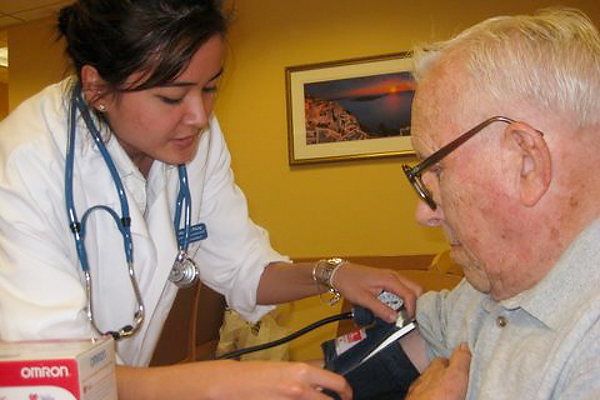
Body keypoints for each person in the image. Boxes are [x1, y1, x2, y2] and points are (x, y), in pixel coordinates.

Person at [0, 1, 422, 399]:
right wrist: (211, 384)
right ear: (97, 89)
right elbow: (53, 375)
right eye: (171, 97)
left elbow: (243, 268)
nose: (199, 117)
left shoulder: (192, 139)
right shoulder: (26, 163)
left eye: (210, 88)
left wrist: (332, 274)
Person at [398, 7, 600, 399]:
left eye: (436, 171)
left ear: (525, 162)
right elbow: (421, 331)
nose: (424, 213)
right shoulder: (499, 276)